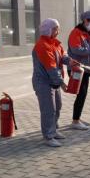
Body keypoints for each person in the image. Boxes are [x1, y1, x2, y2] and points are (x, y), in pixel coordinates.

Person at [32, 19, 79, 147]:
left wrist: (69, 61)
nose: (58, 32)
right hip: (43, 82)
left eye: (58, 29)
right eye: (55, 29)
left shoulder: (55, 44)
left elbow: (61, 57)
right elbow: (51, 67)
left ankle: (54, 130)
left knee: (57, 107)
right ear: (48, 30)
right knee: (48, 110)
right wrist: (62, 83)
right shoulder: (42, 45)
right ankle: (48, 136)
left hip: (53, 81)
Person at [67, 10, 90, 130]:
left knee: (83, 94)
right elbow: (76, 49)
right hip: (76, 69)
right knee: (81, 93)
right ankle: (75, 121)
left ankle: (77, 118)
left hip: (85, 69)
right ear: (85, 21)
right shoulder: (75, 33)